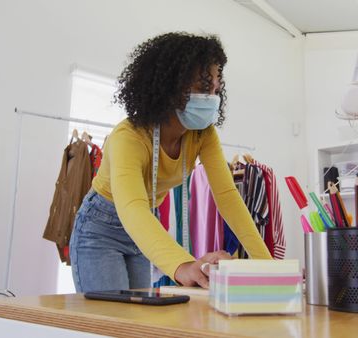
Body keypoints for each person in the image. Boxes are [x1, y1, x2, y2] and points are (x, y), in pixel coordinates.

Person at [69, 32, 272, 293]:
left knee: (138, 323)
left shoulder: (202, 135)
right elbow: (132, 208)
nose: (212, 97)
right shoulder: (128, 136)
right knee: (112, 321)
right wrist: (183, 265)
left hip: (146, 225)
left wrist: (268, 266)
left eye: (215, 88)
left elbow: (227, 197)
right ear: (170, 87)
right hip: (101, 227)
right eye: (202, 87)